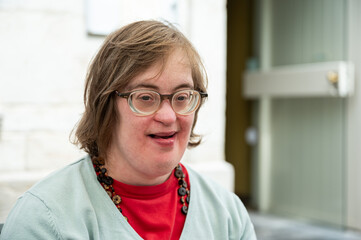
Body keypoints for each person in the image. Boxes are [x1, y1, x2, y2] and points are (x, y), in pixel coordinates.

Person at [0, 20, 256, 239]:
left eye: (181, 97)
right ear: (106, 106)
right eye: (145, 97)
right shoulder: (44, 220)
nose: (168, 116)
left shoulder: (227, 214)